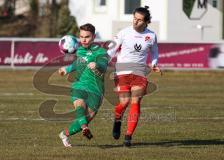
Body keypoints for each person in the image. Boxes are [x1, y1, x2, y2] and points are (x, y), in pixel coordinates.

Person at [107, 6, 161, 147]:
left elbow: (154, 52)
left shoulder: (152, 36)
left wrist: (154, 63)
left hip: (139, 72)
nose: (135, 22)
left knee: (135, 101)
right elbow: (111, 50)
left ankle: (128, 136)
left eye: (139, 20)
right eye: (134, 18)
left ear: (146, 22)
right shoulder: (124, 33)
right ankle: (117, 119)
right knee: (124, 103)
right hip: (122, 71)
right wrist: (102, 63)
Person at [58, 23, 108, 147]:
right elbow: (78, 63)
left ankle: (64, 134)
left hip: (96, 89)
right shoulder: (79, 50)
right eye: (81, 37)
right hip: (79, 86)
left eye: (87, 37)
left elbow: (104, 67)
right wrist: (67, 69)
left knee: (87, 117)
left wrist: (97, 66)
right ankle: (85, 127)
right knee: (79, 105)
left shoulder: (101, 52)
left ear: (94, 37)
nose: (83, 40)